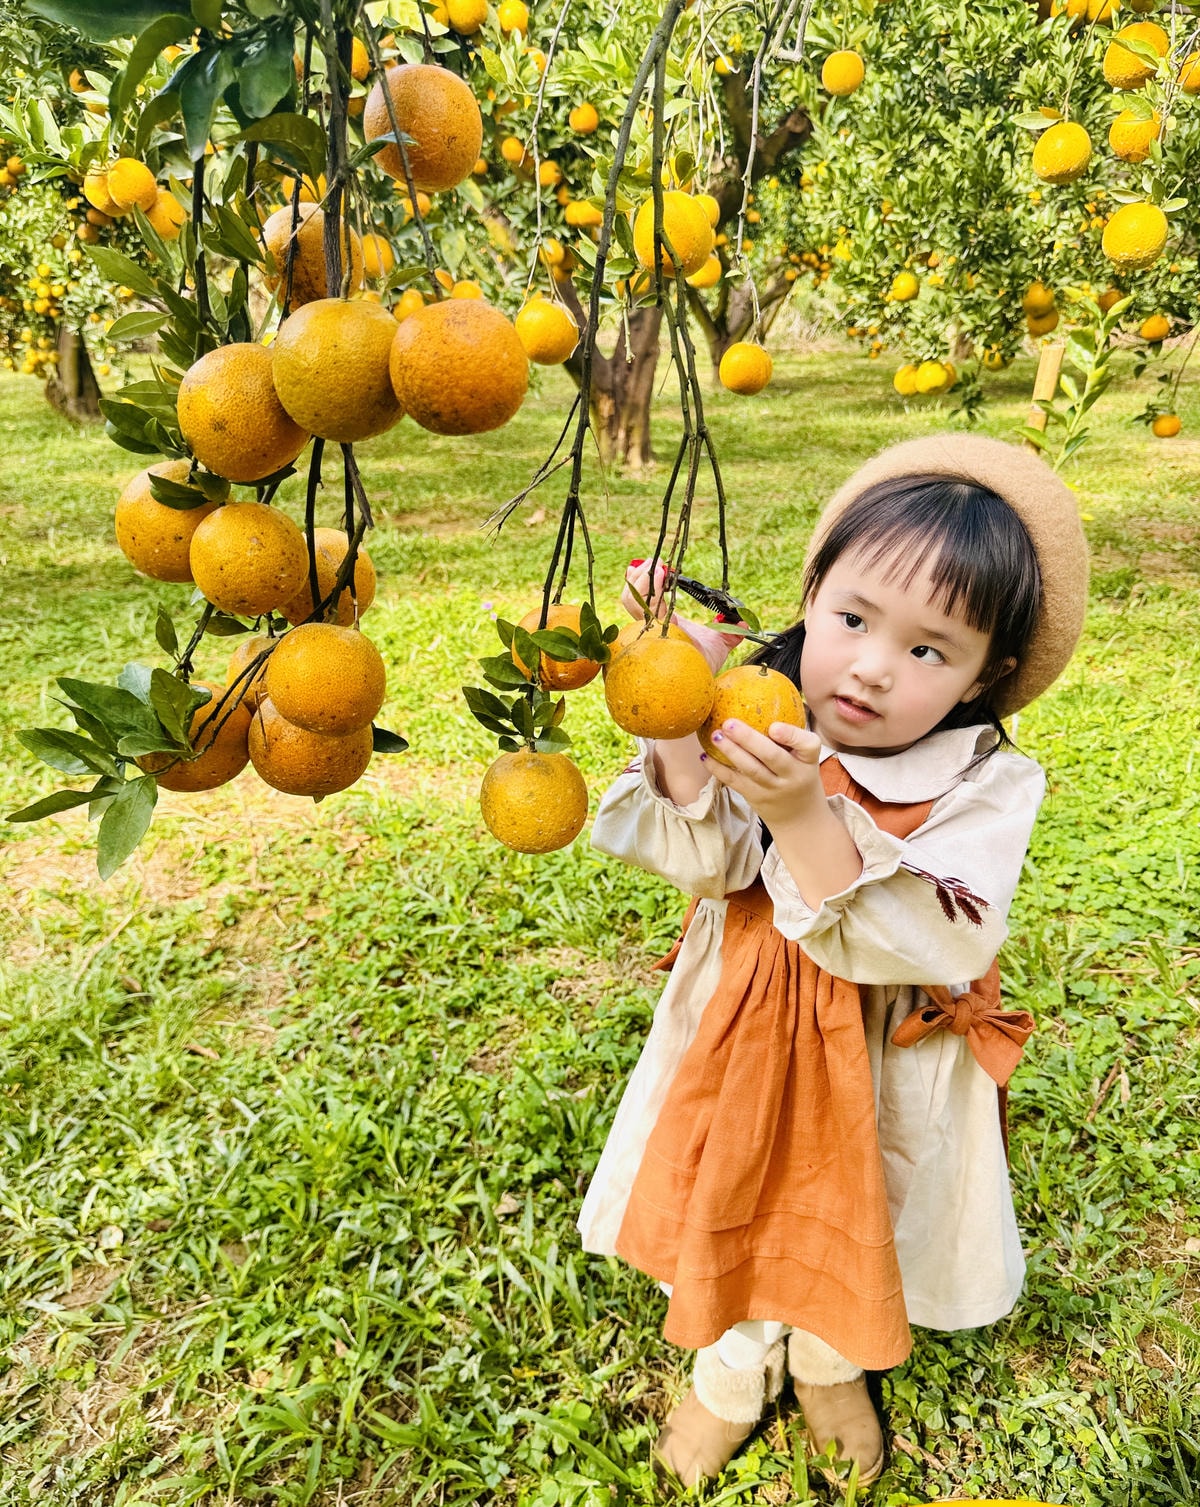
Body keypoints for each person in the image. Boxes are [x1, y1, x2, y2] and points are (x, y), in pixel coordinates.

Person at [579, 433, 1089, 1487]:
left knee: (863, 1205)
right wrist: (680, 702)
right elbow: (707, 854)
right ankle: (730, 1370)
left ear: (984, 675)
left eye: (927, 650)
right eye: (853, 619)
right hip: (744, 1022)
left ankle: (827, 1363)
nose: (868, 665)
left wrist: (806, 812)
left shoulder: (988, 781)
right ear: (813, 596)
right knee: (737, 1183)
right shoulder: (765, 709)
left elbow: (946, 932)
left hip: (878, 1049)